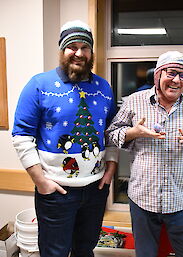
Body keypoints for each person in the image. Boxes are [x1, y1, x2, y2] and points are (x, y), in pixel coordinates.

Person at [12, 20, 118, 257]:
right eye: (72, 46)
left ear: (91, 52)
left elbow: (112, 133)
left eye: (85, 47)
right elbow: (21, 136)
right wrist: (41, 181)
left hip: (95, 189)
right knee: (54, 253)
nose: (79, 53)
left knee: (85, 250)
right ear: (62, 49)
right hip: (55, 191)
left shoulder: (104, 88)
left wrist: (110, 169)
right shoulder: (39, 85)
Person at [106, 51, 183, 257]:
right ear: (158, 75)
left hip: (181, 200)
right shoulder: (135, 101)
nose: (176, 80)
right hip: (143, 199)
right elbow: (111, 135)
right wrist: (133, 133)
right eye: (171, 73)